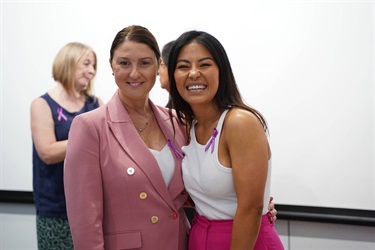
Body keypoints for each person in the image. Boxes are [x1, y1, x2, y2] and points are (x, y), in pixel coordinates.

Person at [64, 25, 189, 250]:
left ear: (158, 66)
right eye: (124, 63)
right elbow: (85, 221)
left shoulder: (176, 121)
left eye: (144, 63)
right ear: (111, 65)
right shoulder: (90, 127)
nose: (134, 73)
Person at [168, 30, 284, 249]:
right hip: (200, 236)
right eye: (183, 66)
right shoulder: (189, 126)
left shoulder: (240, 122)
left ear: (222, 71)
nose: (193, 74)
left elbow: (250, 208)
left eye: (204, 65)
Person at [30, 42, 103, 249]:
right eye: (86, 64)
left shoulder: (96, 103)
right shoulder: (42, 104)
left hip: (92, 205)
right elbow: (47, 152)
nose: (92, 71)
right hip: (56, 208)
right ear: (68, 63)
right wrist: (85, 139)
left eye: (94, 66)